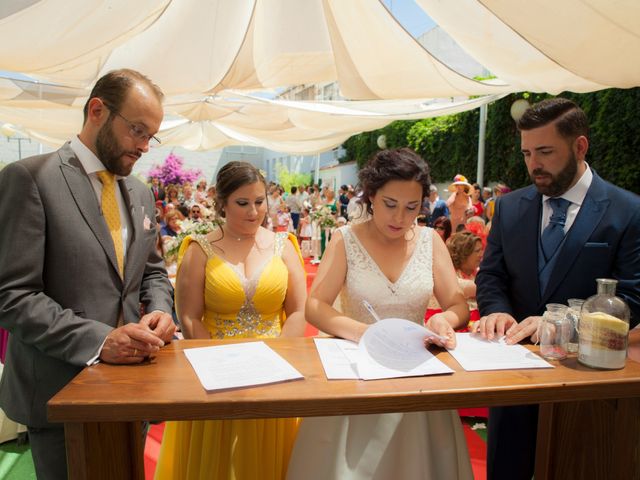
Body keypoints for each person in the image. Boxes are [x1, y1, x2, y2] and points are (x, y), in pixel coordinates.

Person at [0, 68, 175, 479]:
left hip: (134, 390)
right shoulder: (29, 179)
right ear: (97, 110)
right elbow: (12, 294)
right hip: (62, 395)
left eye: (152, 136)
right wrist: (101, 340)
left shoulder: (140, 192)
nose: (145, 146)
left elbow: (151, 272)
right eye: (137, 130)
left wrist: (162, 310)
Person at [474, 97, 640, 480]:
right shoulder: (510, 207)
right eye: (527, 152)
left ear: (580, 146)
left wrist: (559, 323)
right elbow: (492, 275)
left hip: (584, 385)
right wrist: (495, 309)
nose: (534, 164)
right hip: (511, 380)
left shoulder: (627, 212)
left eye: (545, 151)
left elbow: (633, 299)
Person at [287, 148, 472, 480]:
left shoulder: (431, 241)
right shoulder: (346, 240)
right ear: (371, 195)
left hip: (416, 376)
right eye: (390, 204)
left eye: (411, 208)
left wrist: (446, 319)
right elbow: (315, 306)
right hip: (357, 373)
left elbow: (458, 304)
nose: (400, 218)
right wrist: (363, 332)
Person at [155, 161, 307, 480]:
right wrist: (218, 366)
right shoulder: (199, 250)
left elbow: (297, 310)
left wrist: (278, 357)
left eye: (259, 201)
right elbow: (189, 316)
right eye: (242, 203)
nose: (254, 212)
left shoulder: (285, 246)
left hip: (275, 371)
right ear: (221, 202)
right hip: (217, 374)